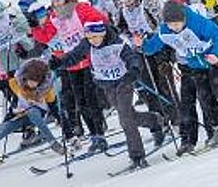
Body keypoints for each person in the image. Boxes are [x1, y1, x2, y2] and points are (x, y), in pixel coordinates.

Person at [50, 21, 165, 169]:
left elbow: (132, 58)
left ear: (103, 34)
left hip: (124, 82)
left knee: (125, 119)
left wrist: (134, 70)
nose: (93, 41)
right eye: (90, 37)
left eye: (96, 37)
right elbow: (74, 56)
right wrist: (59, 62)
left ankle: (137, 155)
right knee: (129, 115)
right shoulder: (87, 44)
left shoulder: (117, 42)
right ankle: (154, 120)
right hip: (106, 84)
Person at [142, 0, 218, 149]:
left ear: (184, 18)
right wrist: (143, 45)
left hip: (212, 60)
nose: (175, 28)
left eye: (178, 24)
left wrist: (216, 54)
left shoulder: (197, 22)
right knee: (205, 96)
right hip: (195, 66)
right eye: (171, 25)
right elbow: (152, 46)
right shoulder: (165, 30)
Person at [31, 0, 108, 153]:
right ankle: (94, 134)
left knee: (91, 98)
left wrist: (94, 37)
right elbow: (45, 37)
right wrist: (35, 27)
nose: (56, 3)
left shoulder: (80, 9)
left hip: (89, 59)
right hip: (72, 64)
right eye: (53, 0)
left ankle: (100, 135)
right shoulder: (53, 16)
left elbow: (102, 21)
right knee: (80, 101)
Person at [115, 0, 179, 126]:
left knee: (164, 84)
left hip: (158, 46)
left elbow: (163, 23)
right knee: (148, 87)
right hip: (139, 49)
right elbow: (121, 28)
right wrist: (131, 37)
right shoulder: (122, 8)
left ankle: (176, 117)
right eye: (123, 0)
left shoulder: (148, 0)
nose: (127, 3)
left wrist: (150, 36)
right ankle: (159, 119)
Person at [0, 59, 65, 160]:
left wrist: (67, 130)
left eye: (36, 81)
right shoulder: (16, 83)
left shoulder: (46, 89)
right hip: (18, 116)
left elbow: (55, 109)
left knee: (32, 111)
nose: (33, 84)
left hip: (37, 117)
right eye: (31, 80)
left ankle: (53, 143)